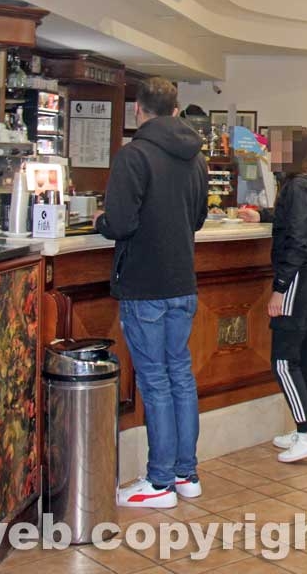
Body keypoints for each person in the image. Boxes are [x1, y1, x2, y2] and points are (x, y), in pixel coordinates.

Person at [96, 78, 208, 508]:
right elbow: (197, 219)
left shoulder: (134, 155)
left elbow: (121, 223)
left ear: (138, 110)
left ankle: (160, 481)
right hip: (183, 280)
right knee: (180, 375)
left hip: (144, 283)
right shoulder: (196, 157)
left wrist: (101, 221)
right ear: (176, 110)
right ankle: (185, 473)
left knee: (155, 381)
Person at [240, 127, 307, 463]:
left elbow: (296, 240)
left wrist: (280, 288)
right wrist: (263, 215)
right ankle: (305, 429)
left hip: (299, 277)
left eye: (278, 150)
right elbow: (299, 221)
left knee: (283, 360)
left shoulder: (295, 187)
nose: (272, 155)